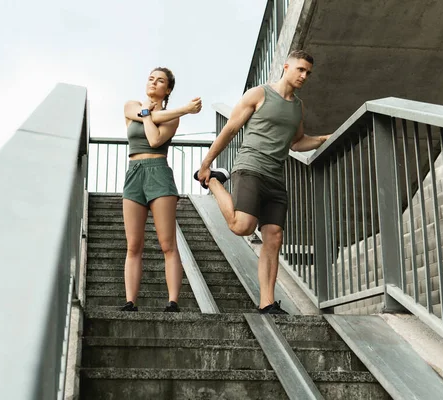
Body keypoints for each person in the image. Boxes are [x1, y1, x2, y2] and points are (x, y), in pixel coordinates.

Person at [194, 50, 330, 314]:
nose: (304, 76)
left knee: (274, 237)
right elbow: (231, 128)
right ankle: (214, 182)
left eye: (308, 73)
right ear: (286, 66)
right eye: (300, 69)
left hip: (275, 177)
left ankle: (267, 302)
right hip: (250, 168)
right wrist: (206, 164)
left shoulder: (297, 107)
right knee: (242, 226)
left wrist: (324, 139)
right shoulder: (259, 94)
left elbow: (297, 142)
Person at [120, 67, 202, 312]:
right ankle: (130, 301)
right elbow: (145, 117)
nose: (153, 83)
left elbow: (155, 140)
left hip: (158, 171)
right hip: (134, 172)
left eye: (160, 81)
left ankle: (173, 301)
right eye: (151, 78)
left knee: (167, 243)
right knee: (133, 244)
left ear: (168, 90)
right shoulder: (130, 105)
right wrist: (184, 110)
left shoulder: (171, 117)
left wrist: (147, 116)